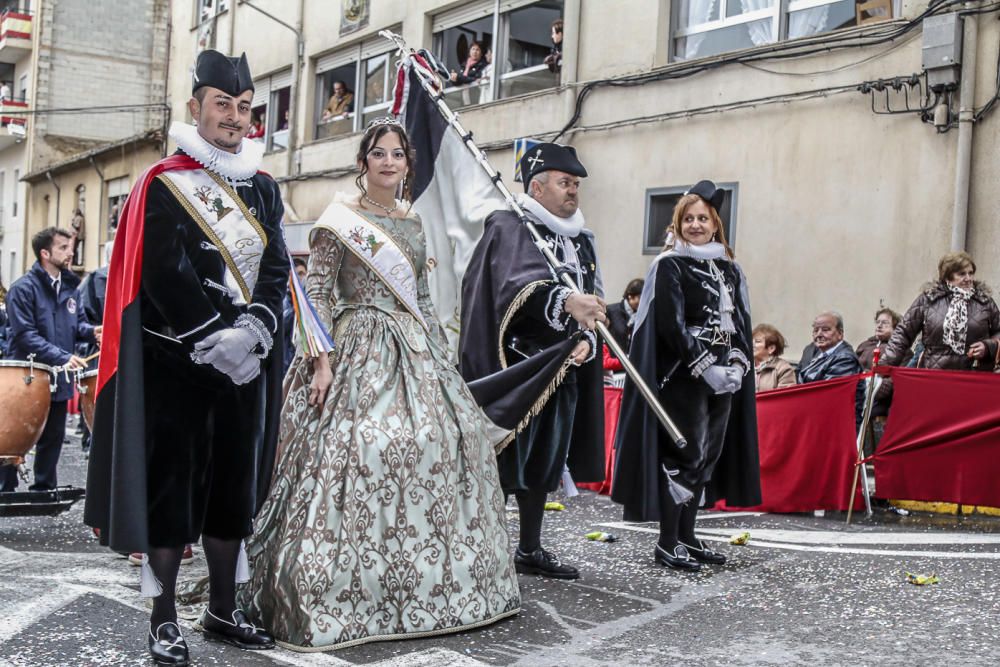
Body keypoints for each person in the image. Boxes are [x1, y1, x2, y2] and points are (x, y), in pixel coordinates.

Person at [240, 118, 519, 650]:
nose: (389, 162)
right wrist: (321, 363)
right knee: (360, 448)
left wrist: (442, 358)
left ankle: (432, 583)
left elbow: (426, 300)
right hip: (355, 346)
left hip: (414, 349)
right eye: (379, 153)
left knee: (444, 445)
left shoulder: (413, 224)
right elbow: (317, 295)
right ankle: (343, 590)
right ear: (363, 161)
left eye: (398, 154)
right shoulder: (340, 220)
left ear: (407, 163)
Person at [84, 50, 288, 665]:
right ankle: (165, 618)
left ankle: (223, 610)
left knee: (233, 490)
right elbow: (162, 271)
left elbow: (277, 268)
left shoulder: (263, 187)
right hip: (178, 363)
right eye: (223, 104)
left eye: (245, 107)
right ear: (196, 107)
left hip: (245, 365)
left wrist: (253, 329)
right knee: (172, 495)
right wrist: (212, 336)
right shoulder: (163, 182)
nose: (235, 117)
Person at [460, 142, 606, 580]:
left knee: (544, 463)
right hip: (517, 366)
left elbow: (593, 298)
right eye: (565, 183)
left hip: (563, 368)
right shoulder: (511, 226)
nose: (573, 192)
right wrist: (563, 301)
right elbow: (508, 289)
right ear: (537, 188)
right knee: (504, 461)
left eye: (576, 184)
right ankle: (483, 551)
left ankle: (530, 547)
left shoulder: (581, 239)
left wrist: (588, 339)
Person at [612, 180, 760, 571]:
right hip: (683, 376)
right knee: (685, 454)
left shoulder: (729, 268)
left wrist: (738, 364)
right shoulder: (669, 265)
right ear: (678, 224)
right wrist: (705, 367)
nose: (696, 225)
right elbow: (671, 326)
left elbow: (740, 325)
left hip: (723, 375)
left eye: (703, 218)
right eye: (689, 219)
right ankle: (667, 541)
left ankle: (689, 537)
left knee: (708, 457)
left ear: (716, 224)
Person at [1, 228, 99, 492]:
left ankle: (44, 488)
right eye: (63, 248)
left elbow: (76, 325)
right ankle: (4, 489)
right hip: (26, 376)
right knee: (15, 433)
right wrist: (63, 356)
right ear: (45, 253)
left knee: (53, 435)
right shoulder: (22, 289)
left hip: (58, 375)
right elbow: (25, 335)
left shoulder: (70, 289)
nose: (71, 253)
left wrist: (92, 331)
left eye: (70, 247)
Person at [882, 252, 1000, 372]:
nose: (968, 279)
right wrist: (884, 366)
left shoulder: (984, 301)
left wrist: (988, 347)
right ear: (947, 276)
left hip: (973, 376)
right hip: (934, 375)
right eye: (962, 274)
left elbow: (998, 332)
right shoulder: (929, 299)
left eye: (971, 273)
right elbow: (903, 333)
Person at [796, 311, 862, 384]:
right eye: (816, 330)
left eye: (825, 330)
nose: (819, 334)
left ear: (840, 333)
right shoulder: (819, 352)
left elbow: (830, 391)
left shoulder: (845, 359)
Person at [280, 256, 307, 374]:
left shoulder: (313, 300)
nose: (300, 278)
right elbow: (282, 325)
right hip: (288, 362)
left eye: (302, 274)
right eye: (296, 275)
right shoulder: (283, 299)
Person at [753, 323, 796, 391]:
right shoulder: (745, 367)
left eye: (757, 341)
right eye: (751, 341)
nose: (752, 344)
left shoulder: (784, 369)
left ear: (771, 348)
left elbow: (785, 398)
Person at [606, 278, 643, 355]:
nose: (643, 302)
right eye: (640, 298)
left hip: (632, 364)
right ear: (630, 296)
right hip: (612, 363)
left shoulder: (643, 315)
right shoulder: (611, 311)